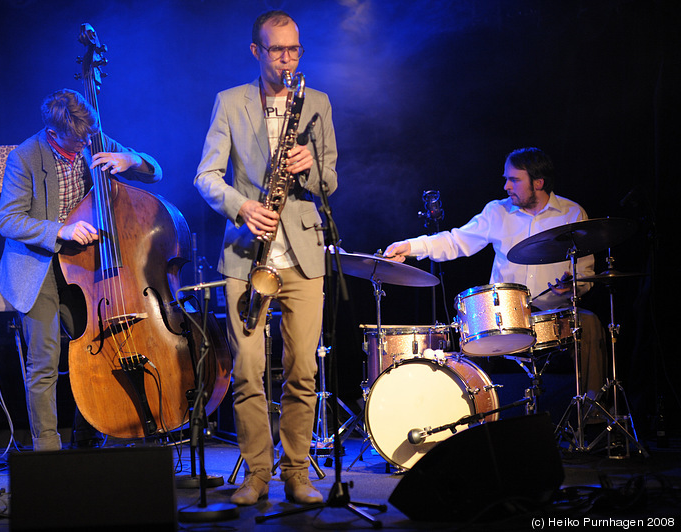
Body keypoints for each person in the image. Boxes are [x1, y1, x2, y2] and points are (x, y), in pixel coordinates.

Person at [194, 10, 337, 505]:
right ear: (257, 52)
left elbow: (330, 183)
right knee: (248, 369)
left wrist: (312, 167)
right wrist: (242, 206)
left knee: (303, 369)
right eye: (277, 50)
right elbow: (206, 176)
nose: (287, 59)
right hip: (246, 255)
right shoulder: (230, 102)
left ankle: (297, 471)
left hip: (302, 255)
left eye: (294, 49)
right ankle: (257, 473)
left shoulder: (316, 103)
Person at [0, 89, 162, 451]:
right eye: (78, 141)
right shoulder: (24, 157)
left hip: (84, 268)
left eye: (90, 137)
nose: (86, 145)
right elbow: (8, 220)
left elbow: (156, 171)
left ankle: (88, 436)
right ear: (54, 134)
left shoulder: (90, 135)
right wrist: (60, 230)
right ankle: (48, 448)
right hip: (38, 268)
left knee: (94, 351)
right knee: (44, 357)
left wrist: (131, 159)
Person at [383, 147, 606, 400]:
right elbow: (456, 241)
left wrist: (573, 286)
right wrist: (411, 246)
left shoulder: (572, 214)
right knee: (473, 329)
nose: (506, 186)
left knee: (590, 323)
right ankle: (474, 415)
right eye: (506, 178)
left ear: (539, 182)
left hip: (555, 314)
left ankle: (591, 414)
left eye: (514, 179)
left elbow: (586, 271)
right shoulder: (497, 211)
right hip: (506, 315)